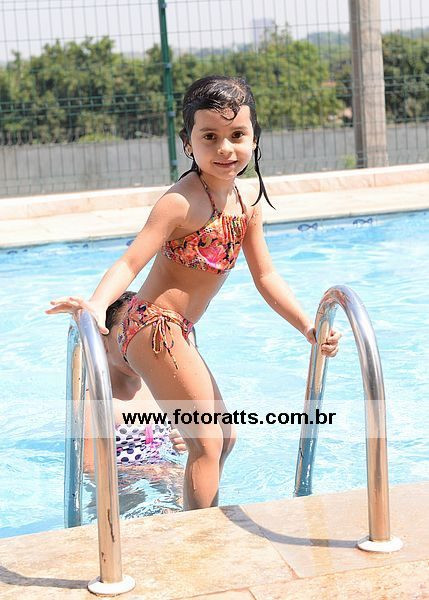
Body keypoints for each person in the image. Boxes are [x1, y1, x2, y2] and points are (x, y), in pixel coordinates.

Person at [47, 75, 341, 511]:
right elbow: (130, 261)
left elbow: (266, 277)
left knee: (225, 437)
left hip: (177, 330)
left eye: (237, 135)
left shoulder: (247, 207)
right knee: (206, 441)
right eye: (210, 137)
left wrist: (306, 327)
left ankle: (193, 519)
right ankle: (201, 539)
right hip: (150, 325)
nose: (225, 148)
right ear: (188, 143)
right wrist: (96, 304)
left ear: (254, 138)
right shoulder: (179, 202)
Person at [83, 291, 188, 474]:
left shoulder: (159, 389)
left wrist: (184, 441)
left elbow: (180, 433)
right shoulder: (96, 402)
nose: (137, 345)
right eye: (127, 334)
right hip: (124, 488)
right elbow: (90, 468)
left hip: (165, 476)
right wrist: (146, 471)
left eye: (144, 335)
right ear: (102, 342)